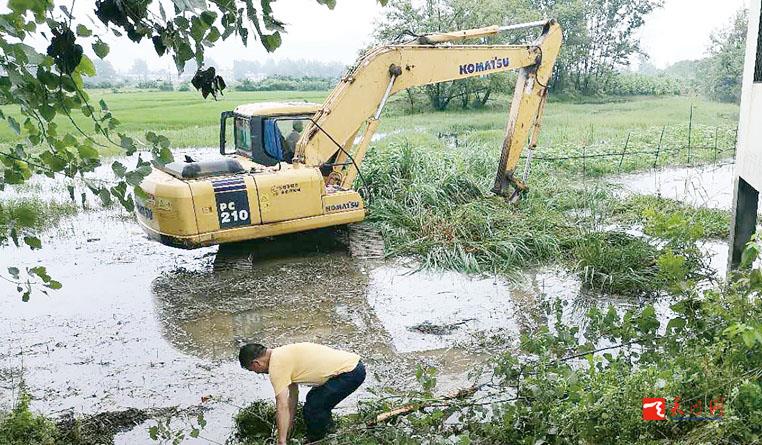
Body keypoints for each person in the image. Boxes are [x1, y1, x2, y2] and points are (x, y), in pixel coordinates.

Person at [239, 342, 366, 444]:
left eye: (253, 370)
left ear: (256, 363)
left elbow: (282, 406)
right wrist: (288, 427)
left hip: (350, 372)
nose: (256, 373)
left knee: (314, 407)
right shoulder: (282, 354)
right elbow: (292, 399)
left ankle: (318, 440)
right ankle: (330, 430)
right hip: (352, 367)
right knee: (314, 398)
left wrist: (281, 441)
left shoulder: (276, 366)